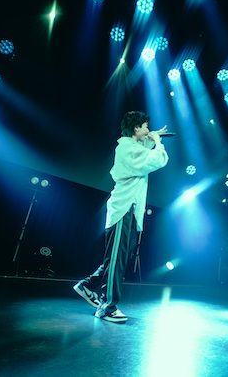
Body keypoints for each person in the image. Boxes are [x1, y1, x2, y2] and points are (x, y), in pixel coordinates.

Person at [74, 111, 169, 323]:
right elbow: (157, 160)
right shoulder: (126, 147)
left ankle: (88, 285)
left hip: (129, 211)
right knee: (117, 260)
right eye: (145, 127)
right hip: (123, 209)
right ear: (136, 129)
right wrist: (158, 143)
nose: (147, 130)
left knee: (119, 259)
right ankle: (107, 307)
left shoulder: (132, 147)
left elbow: (143, 152)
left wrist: (151, 137)